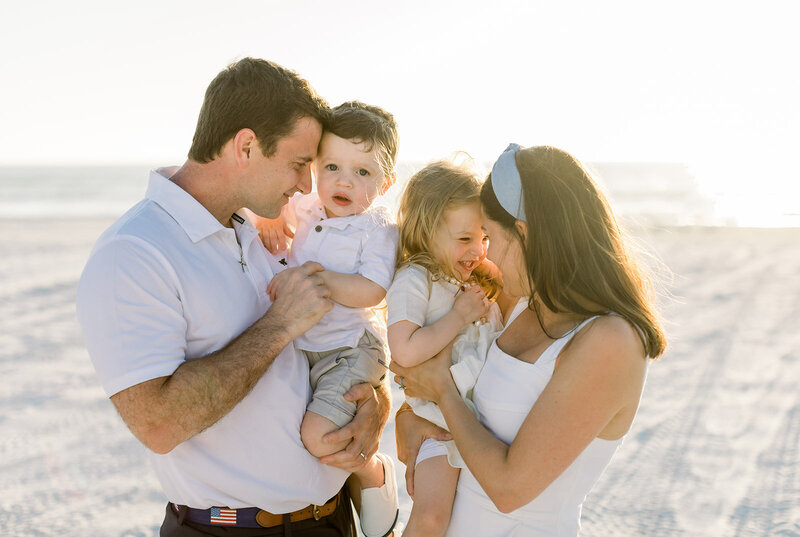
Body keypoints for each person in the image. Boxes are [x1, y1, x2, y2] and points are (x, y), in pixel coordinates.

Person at [76, 58, 396, 537]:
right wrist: (280, 324)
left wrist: (374, 401)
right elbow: (158, 425)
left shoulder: (266, 230)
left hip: (331, 523)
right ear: (246, 146)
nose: (308, 186)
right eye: (297, 164)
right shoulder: (135, 252)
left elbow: (332, 341)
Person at [392, 144, 666, 536]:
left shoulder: (611, 340)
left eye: (489, 237)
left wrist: (443, 395)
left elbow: (509, 488)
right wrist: (409, 419)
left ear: (523, 235)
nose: (487, 256)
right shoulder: (519, 303)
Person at [253, 101, 401, 537]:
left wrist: (312, 278)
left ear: (386, 183)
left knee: (319, 437)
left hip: (351, 348)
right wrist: (271, 219)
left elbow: (372, 290)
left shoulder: (377, 229)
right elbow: (275, 213)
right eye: (332, 165)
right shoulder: (308, 206)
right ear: (315, 167)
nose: (343, 181)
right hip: (307, 348)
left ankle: (371, 473)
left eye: (363, 172)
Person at [384, 160, 506, 536]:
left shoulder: (466, 279)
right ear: (426, 230)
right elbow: (403, 350)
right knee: (431, 519)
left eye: (484, 238)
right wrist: (458, 317)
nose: (478, 250)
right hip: (438, 425)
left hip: (477, 425)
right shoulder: (414, 280)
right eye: (465, 239)